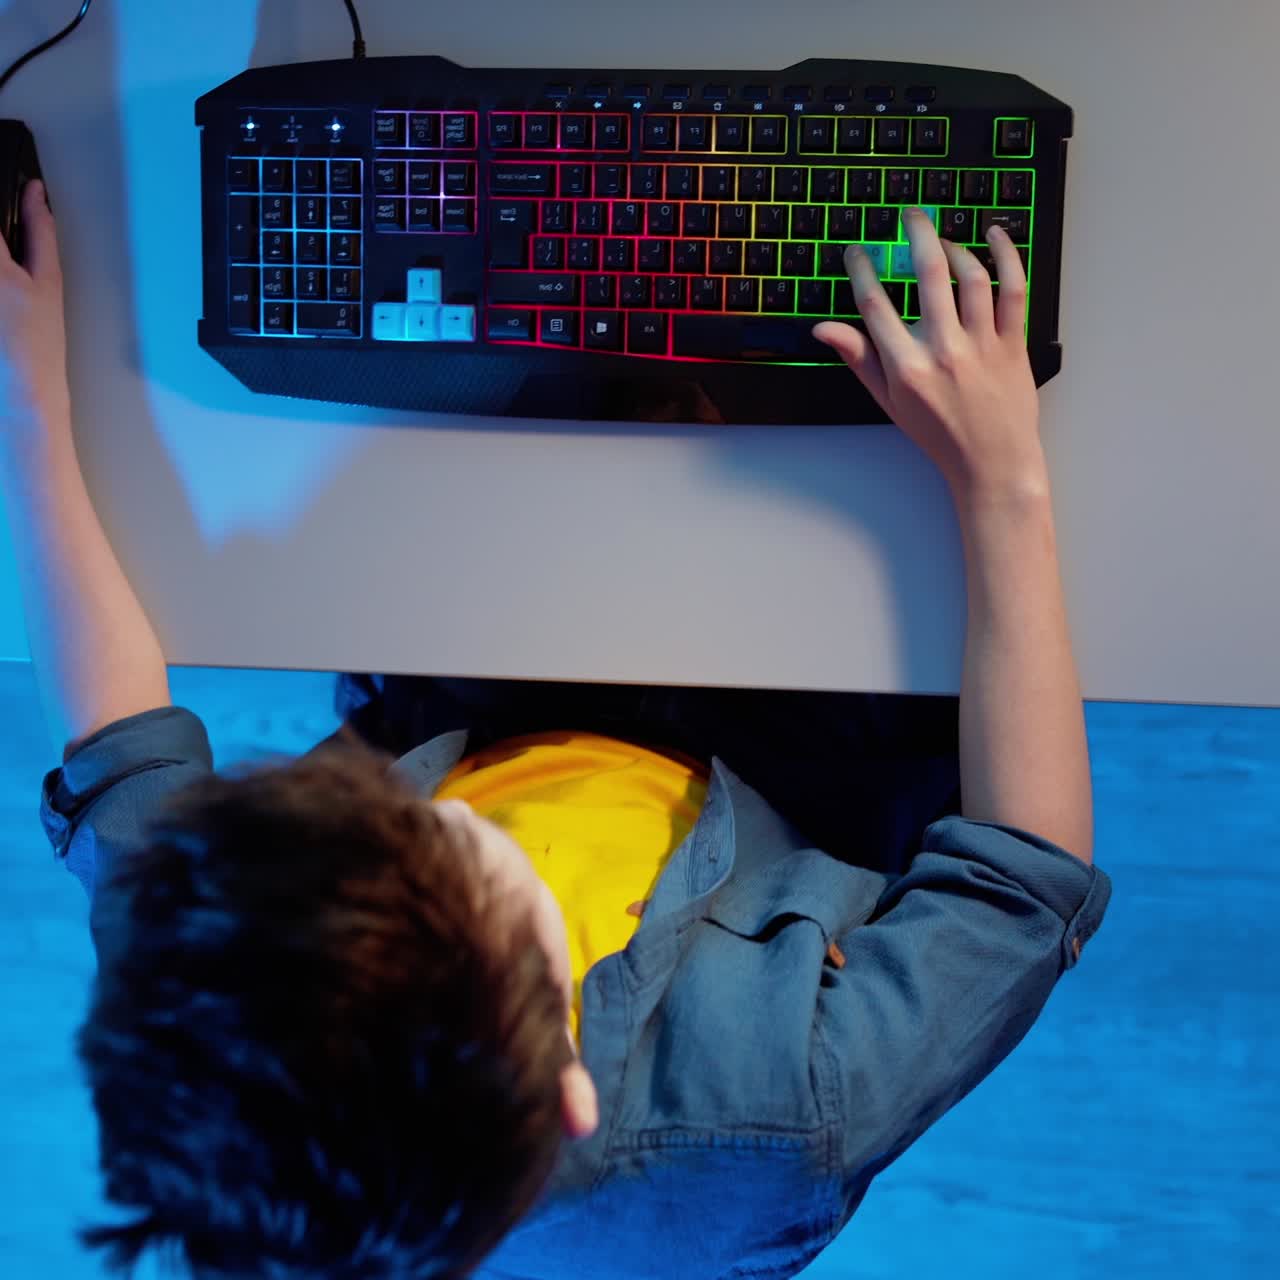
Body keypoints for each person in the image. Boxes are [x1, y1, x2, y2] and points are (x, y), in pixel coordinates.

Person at [1, 176, 1111, 1279]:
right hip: (800, 755)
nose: (461, 824)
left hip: (479, 702)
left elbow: (119, 746)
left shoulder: (230, 996)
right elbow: (1025, 878)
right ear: (568, 1093)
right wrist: (1001, 477)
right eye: (476, 858)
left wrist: (26, 403)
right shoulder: (776, 1116)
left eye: (383, 831)